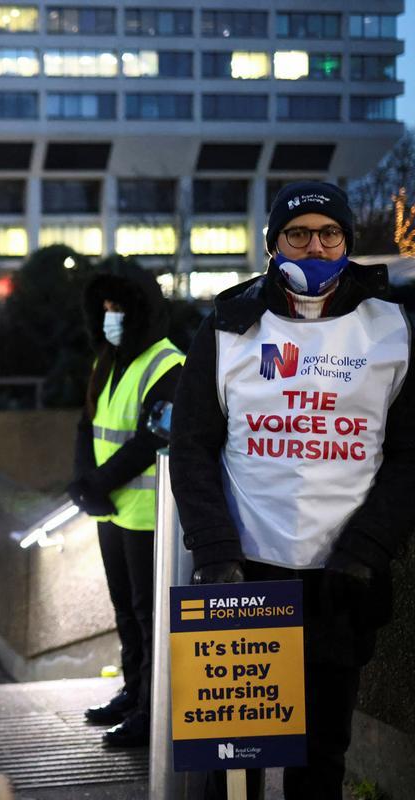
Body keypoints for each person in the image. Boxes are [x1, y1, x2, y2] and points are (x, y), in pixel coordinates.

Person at [170, 181, 415, 799]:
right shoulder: (227, 324)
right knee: (232, 764)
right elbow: (192, 446)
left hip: (342, 580)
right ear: (273, 244)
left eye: (328, 233)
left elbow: (410, 458)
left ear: (348, 241)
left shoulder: (394, 329)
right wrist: (215, 552)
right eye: (297, 234)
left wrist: (366, 552)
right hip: (247, 574)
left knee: (322, 755)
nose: (314, 246)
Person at [68, 263, 184, 748]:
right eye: (105, 308)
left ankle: (151, 710)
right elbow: (87, 423)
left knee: (147, 613)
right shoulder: (107, 359)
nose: (111, 316)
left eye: (119, 307)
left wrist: (98, 482)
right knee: (124, 608)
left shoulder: (167, 363)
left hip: (147, 514)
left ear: (141, 310)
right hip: (111, 510)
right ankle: (133, 691)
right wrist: (82, 482)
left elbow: (151, 438)